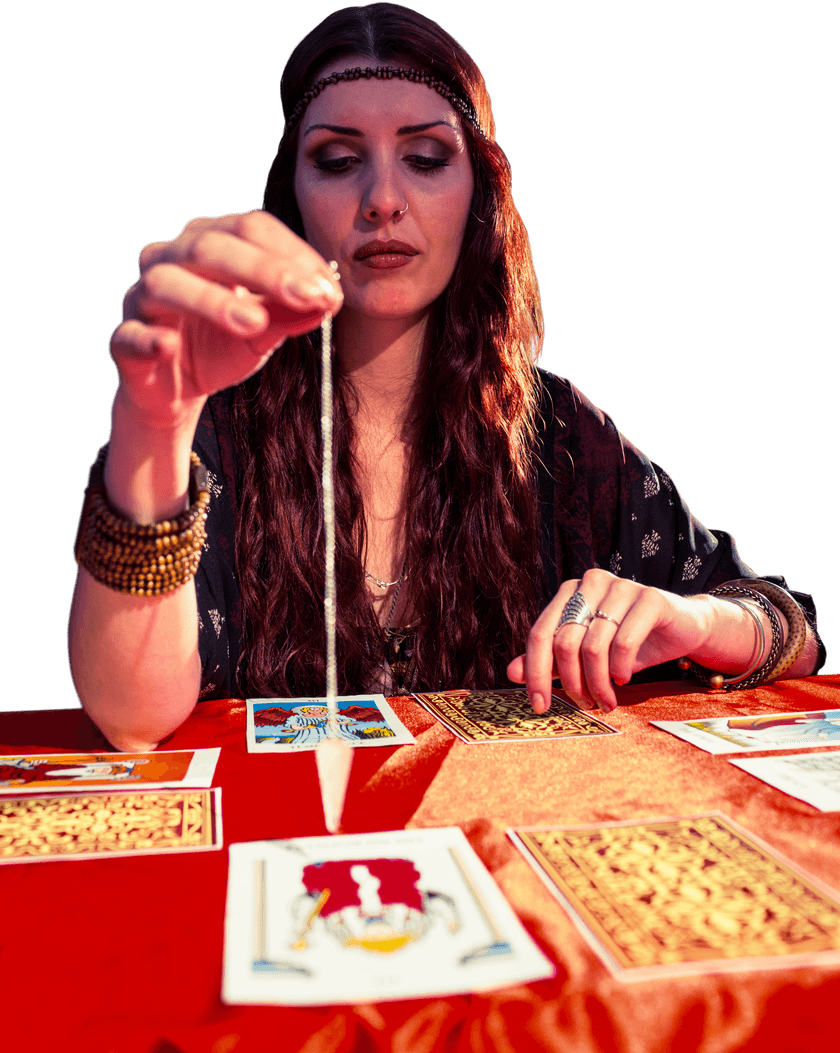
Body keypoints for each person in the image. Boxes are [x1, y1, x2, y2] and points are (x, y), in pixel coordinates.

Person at [67, 2, 824, 753]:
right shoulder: (210, 426)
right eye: (337, 159)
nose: (384, 201)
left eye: (427, 158)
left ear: (482, 195)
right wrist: (151, 421)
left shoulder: (554, 432)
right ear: (290, 195)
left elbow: (792, 634)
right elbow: (132, 720)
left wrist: (697, 621)